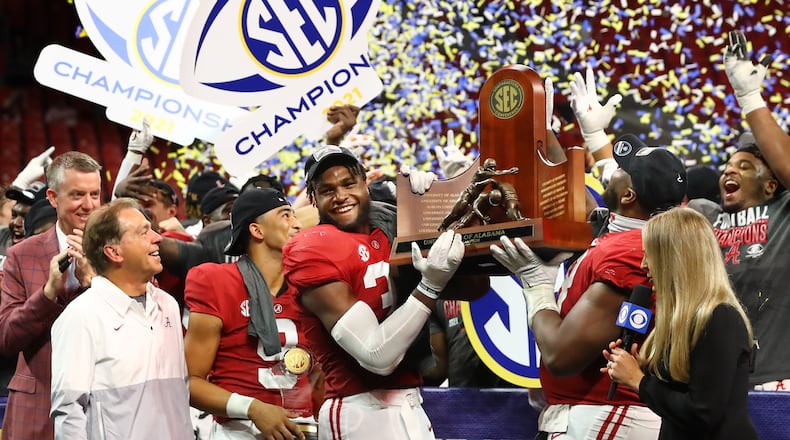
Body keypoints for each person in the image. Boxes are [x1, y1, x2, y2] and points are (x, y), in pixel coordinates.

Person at [490, 131, 687, 438]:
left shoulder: (631, 253)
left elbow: (561, 356)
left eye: (621, 169)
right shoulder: (628, 236)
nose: (611, 171)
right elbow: (570, 190)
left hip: (606, 413)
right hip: (593, 412)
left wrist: (536, 286)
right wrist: (539, 123)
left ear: (629, 196)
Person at [282, 145, 479, 439]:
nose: (340, 196)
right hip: (359, 408)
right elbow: (376, 356)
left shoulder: (389, 227)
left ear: (366, 182)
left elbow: (476, 288)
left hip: (410, 402)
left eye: (348, 183)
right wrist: (430, 286)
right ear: (313, 199)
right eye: (327, 190)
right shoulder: (313, 247)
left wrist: (438, 203)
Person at [603, 207, 758, 439]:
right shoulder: (684, 320)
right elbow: (678, 397)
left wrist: (639, 381)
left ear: (675, 259)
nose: (644, 265)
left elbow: (702, 413)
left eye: (650, 255)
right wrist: (639, 368)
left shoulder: (720, 319)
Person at [50, 198, 193, 440]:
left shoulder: (168, 305)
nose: (158, 238)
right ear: (114, 252)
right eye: (143, 233)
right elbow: (69, 412)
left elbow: (181, 392)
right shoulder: (81, 317)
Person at [184, 188, 316, 439]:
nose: (297, 224)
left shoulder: (308, 285)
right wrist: (252, 408)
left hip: (302, 429)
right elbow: (190, 383)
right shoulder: (216, 281)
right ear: (257, 230)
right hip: (239, 430)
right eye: (286, 216)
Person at [703, 29, 790, 390]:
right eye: (728, 165)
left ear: (771, 184)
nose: (729, 170)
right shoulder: (706, 215)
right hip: (716, 381)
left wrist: (749, 97)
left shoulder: (785, 216)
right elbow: (637, 198)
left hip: (777, 379)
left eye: (744, 166)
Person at [0, 151, 102, 439]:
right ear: (53, 198)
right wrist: (47, 295)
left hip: (105, 404)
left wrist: (93, 284)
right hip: (36, 407)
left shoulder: (120, 249)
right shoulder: (22, 254)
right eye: (78, 195)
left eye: (95, 194)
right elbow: (6, 337)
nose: (89, 205)